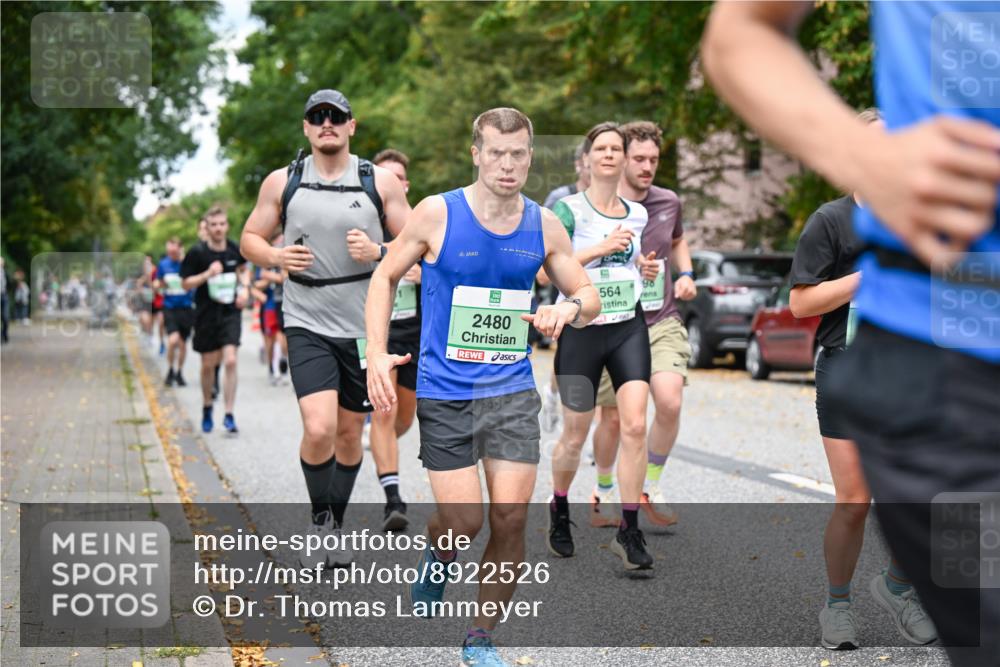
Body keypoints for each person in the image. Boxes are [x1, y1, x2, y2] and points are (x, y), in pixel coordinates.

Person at [703, 3, 1000, 665]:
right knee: (858, 500)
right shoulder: (833, 221)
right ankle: (840, 598)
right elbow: (803, 301)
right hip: (909, 370)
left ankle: (902, 581)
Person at [366, 106, 599, 667]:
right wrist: (376, 352)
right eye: (496, 152)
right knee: (464, 523)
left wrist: (567, 310)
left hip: (512, 392)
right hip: (445, 391)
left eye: (518, 153)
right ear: (476, 154)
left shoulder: (544, 224)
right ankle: (438, 552)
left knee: (512, 517)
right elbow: (385, 275)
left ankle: (480, 636)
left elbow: (587, 295)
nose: (508, 163)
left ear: (530, 157)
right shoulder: (436, 214)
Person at [240, 89, 410, 569]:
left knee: (350, 435)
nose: (327, 123)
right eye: (318, 116)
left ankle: (336, 521)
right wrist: (275, 255)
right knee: (319, 428)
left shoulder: (378, 182)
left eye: (336, 116)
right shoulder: (284, 181)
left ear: (352, 126)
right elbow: (250, 238)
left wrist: (377, 251)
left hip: (363, 325)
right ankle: (320, 521)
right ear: (306, 128)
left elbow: (419, 244)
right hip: (306, 317)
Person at [545, 121, 660, 570]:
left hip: (628, 325)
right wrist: (599, 249)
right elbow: (545, 273)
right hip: (581, 329)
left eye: (617, 148)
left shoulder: (638, 213)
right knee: (575, 433)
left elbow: (629, 260)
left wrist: (642, 271)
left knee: (634, 425)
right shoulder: (566, 212)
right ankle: (558, 507)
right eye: (603, 148)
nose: (610, 154)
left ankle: (628, 531)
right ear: (587, 159)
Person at [585, 120, 696, 529]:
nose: (647, 166)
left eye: (654, 159)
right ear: (621, 157)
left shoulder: (668, 201)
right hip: (614, 320)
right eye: (639, 159)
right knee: (613, 419)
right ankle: (603, 489)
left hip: (661, 318)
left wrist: (686, 275)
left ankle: (648, 484)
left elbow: (678, 239)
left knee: (669, 401)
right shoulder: (600, 205)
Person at [359, 148, 419, 531]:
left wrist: (423, 274)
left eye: (396, 178)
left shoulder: (422, 223)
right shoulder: (361, 221)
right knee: (385, 410)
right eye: (383, 178)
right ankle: (393, 498)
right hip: (379, 330)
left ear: (406, 185)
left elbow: (447, 267)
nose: (390, 184)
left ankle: (382, 445)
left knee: (404, 418)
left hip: (414, 328)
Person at [181, 206, 250, 434]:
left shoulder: (234, 249)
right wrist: (207, 274)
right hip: (205, 314)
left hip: (230, 312)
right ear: (207, 227)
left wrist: (245, 290)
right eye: (214, 225)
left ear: (226, 225)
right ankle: (207, 406)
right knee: (208, 365)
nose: (218, 228)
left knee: (230, 360)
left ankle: (229, 414)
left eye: (222, 224)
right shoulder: (197, 253)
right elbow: (185, 284)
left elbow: (243, 270)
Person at [251, 234, 288, 386]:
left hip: (281, 302)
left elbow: (283, 278)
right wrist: (265, 283)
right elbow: (256, 284)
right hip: (269, 305)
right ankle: (272, 369)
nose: (281, 242)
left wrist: (269, 277)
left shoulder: (286, 256)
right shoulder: (264, 259)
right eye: (278, 240)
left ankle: (281, 365)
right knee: (269, 339)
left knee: (281, 336)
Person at [157, 237, 195, 387]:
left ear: (180, 249)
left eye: (174, 251)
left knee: (183, 344)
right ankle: (170, 369)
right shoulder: (163, 264)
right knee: (173, 340)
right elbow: (159, 284)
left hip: (186, 308)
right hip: (170, 307)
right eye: (169, 252)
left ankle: (179, 372)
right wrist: (158, 284)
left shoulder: (188, 263)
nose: (171, 254)